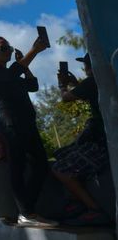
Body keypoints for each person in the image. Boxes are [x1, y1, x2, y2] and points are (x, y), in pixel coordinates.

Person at [0, 35, 57, 227]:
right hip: (11, 126)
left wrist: (26, 65)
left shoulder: (10, 75)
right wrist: (34, 51)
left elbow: (33, 86)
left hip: (27, 125)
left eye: (9, 47)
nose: (8, 50)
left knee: (41, 164)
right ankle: (26, 212)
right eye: (3, 48)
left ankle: (27, 210)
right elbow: (13, 73)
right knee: (18, 166)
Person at [52, 53, 111, 226]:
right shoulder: (106, 79)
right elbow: (88, 93)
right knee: (62, 154)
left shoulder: (93, 80)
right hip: (103, 139)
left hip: (100, 143)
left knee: (59, 169)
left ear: (89, 66)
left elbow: (66, 98)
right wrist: (76, 84)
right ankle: (78, 201)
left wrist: (62, 84)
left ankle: (94, 210)